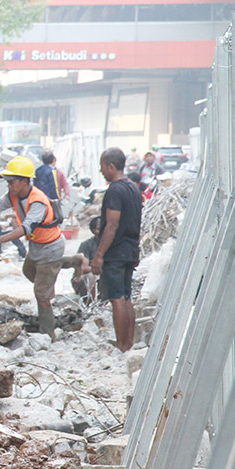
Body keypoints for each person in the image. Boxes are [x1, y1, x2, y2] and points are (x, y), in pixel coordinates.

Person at [0, 156, 66, 339]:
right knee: (29, 270)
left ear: (25, 181)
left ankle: (48, 333)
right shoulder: (14, 195)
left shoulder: (37, 201)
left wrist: (0, 240)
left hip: (50, 247)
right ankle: (69, 263)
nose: (9, 186)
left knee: (41, 293)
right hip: (37, 246)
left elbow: (25, 228)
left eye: (12, 182)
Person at [92, 147, 141, 352]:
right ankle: (129, 343)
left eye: (103, 166)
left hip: (116, 251)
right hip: (130, 249)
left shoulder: (114, 190)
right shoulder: (133, 188)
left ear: (111, 166)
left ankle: (121, 345)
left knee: (117, 297)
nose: (101, 171)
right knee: (127, 296)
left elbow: (112, 225)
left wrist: (99, 255)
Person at [68, 217, 102, 301]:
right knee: (91, 276)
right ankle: (91, 304)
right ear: (93, 231)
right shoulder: (86, 245)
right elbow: (84, 268)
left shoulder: (114, 245)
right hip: (87, 278)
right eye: (99, 229)